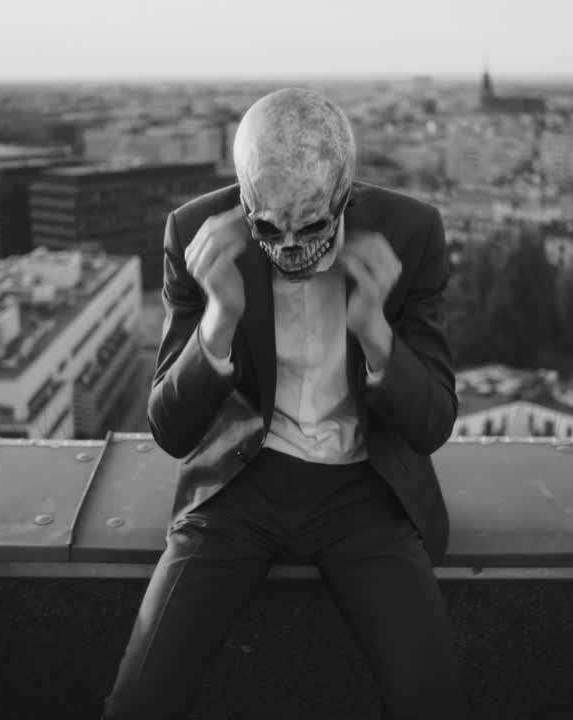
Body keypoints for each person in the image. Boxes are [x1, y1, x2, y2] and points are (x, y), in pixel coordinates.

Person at [104, 88, 467, 719]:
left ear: (345, 194)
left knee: (431, 700)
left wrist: (374, 329)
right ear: (245, 197)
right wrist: (217, 319)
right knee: (140, 698)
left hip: (365, 492)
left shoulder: (410, 233)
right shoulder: (195, 233)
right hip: (240, 486)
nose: (292, 248)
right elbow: (169, 427)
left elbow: (433, 422)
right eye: (269, 227)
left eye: (313, 226)